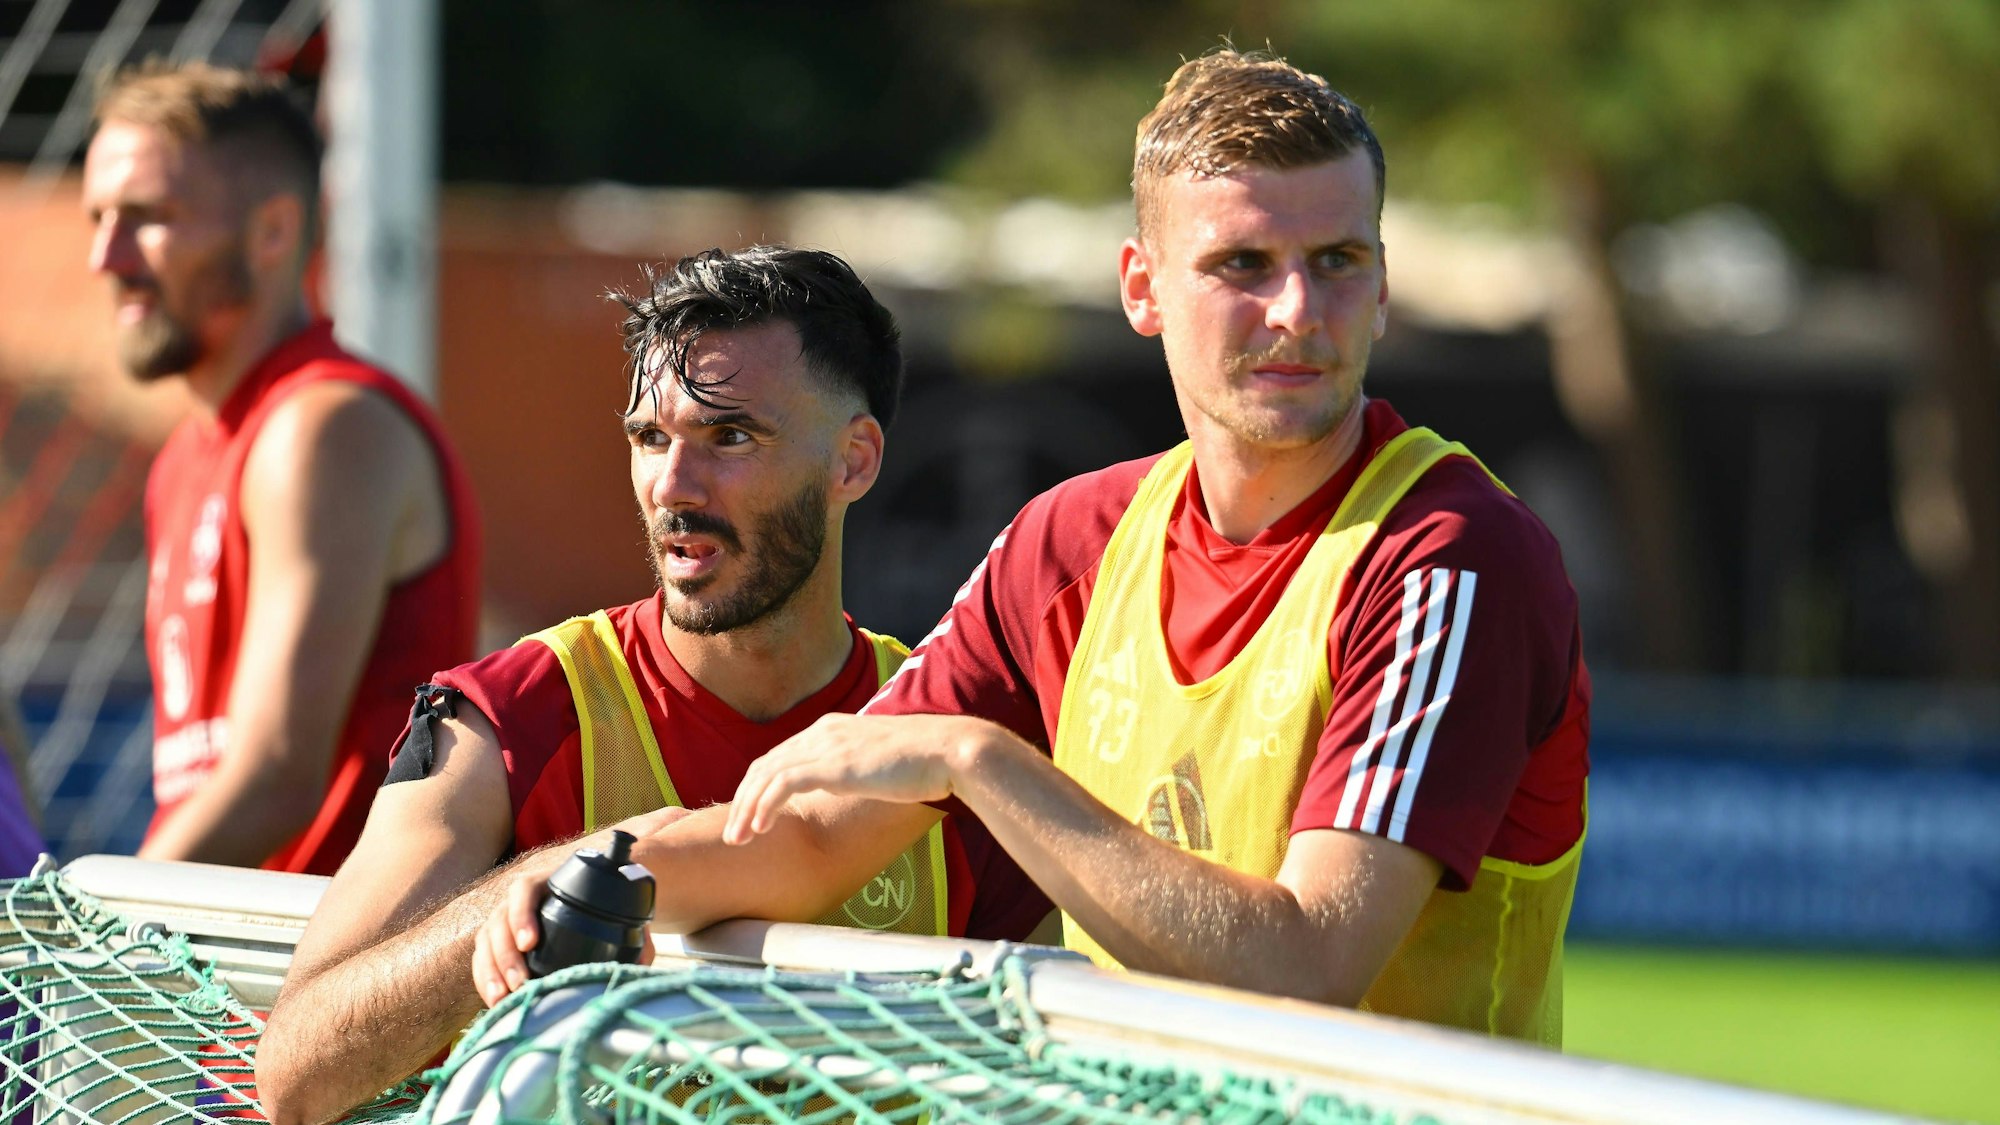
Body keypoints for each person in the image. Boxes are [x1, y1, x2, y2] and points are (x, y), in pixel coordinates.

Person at [475, 49, 1590, 1048]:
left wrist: (976, 759)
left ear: (1383, 283)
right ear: (1141, 289)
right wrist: (583, 879)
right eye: (1242, 264)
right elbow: (814, 840)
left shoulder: (1451, 558)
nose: (1297, 309)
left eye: (1337, 259)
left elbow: (1302, 973)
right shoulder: (1073, 541)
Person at [256, 246, 1049, 1125]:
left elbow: (1075, 1063)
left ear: (853, 461)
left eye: (730, 436)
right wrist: (544, 883)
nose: (673, 485)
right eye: (649, 437)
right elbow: (295, 1071)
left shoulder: (940, 729)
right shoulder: (517, 711)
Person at [80, 63, 482, 875]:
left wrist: (98, 936)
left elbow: (275, 779)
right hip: (223, 961)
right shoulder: (189, 455)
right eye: (99, 216)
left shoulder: (323, 426)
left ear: (271, 232)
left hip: (325, 970)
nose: (105, 256)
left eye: (147, 217)